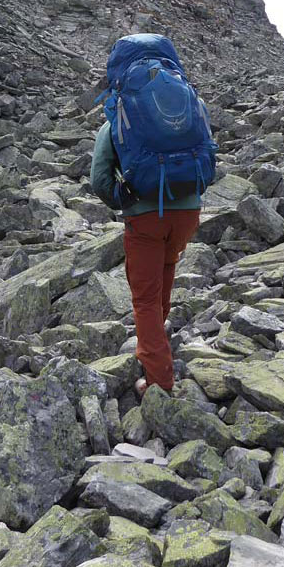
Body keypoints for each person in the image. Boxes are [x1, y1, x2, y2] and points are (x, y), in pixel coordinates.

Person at [90, 36, 207, 396]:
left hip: (145, 215)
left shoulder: (118, 116)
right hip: (188, 211)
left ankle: (158, 381)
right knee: (165, 273)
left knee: (143, 300)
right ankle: (159, 337)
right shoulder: (191, 104)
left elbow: (99, 180)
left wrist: (120, 200)